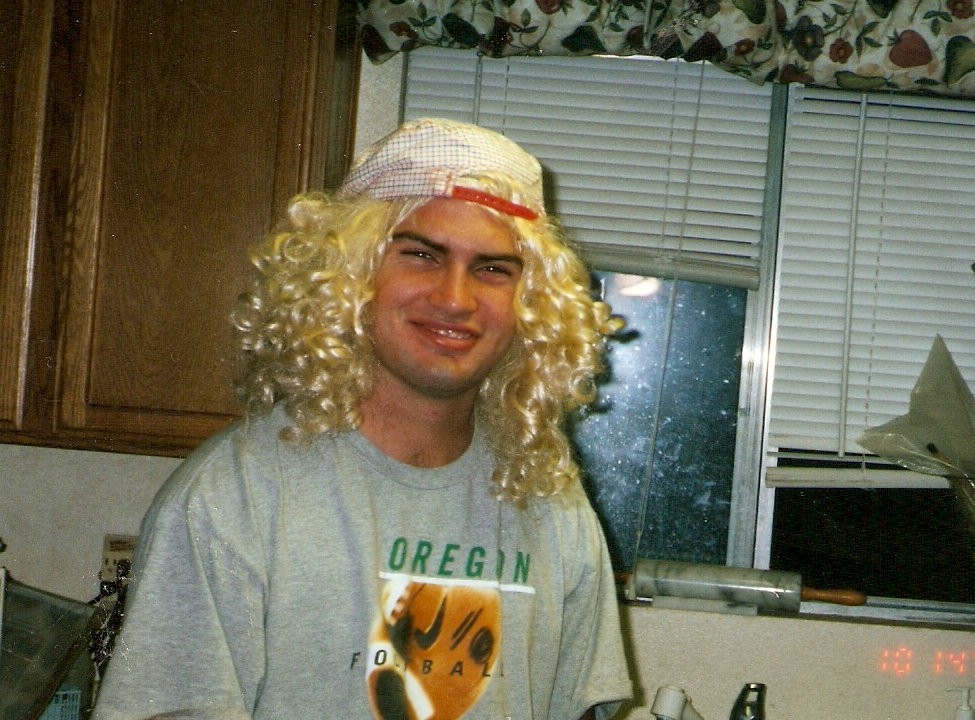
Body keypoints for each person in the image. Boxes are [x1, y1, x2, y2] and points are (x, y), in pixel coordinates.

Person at [92, 118, 632, 720]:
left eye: (492, 269)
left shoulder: (551, 503)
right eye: (421, 255)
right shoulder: (234, 495)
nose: (455, 299)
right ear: (350, 274)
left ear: (530, 304)